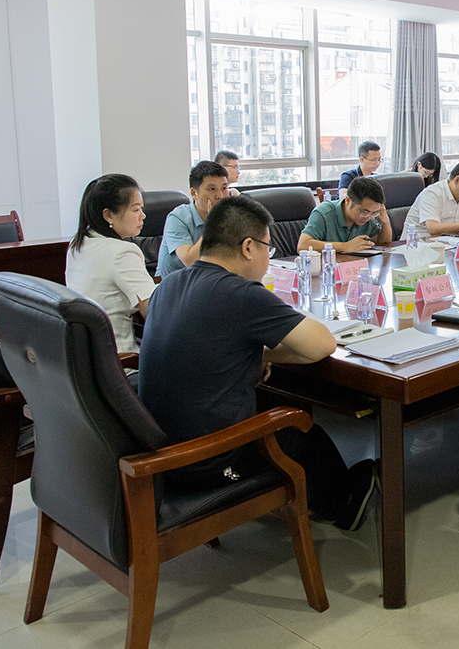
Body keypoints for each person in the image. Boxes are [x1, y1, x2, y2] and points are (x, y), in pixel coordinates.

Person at [138, 196, 379, 531]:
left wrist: (261, 354)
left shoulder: (169, 285)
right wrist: (265, 353)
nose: (269, 257)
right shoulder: (241, 293)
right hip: (206, 462)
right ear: (248, 247)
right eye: (268, 247)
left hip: (158, 453)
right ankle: (344, 506)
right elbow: (322, 345)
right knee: (302, 431)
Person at [65, 174, 156, 355]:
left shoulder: (78, 243)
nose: (143, 215)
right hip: (120, 359)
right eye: (136, 209)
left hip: (86, 355)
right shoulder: (122, 252)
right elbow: (154, 309)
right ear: (108, 215)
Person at [157, 160, 229, 278]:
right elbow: (190, 261)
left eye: (224, 188)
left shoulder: (229, 215)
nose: (220, 196)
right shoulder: (177, 218)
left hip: (207, 279)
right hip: (174, 283)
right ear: (194, 193)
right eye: (212, 189)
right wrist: (213, 223)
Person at [297, 176, 393, 252]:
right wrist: (345, 246)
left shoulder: (369, 216)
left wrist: (385, 221)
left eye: (374, 213)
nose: (369, 217)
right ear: (348, 200)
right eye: (364, 212)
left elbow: (382, 242)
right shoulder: (324, 212)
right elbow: (303, 245)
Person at [404, 158, 459, 236]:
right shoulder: (432, 193)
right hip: (417, 244)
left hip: (447, 244)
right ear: (457, 180)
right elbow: (432, 228)